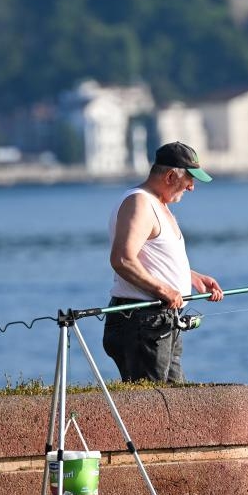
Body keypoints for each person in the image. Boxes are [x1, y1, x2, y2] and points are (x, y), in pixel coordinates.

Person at [103, 141, 223, 383]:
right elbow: (122, 259)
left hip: (161, 319)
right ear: (170, 176)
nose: (191, 187)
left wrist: (191, 276)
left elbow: (152, 257)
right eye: (190, 179)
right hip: (142, 321)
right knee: (153, 406)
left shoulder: (158, 204)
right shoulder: (139, 203)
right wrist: (163, 289)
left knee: (173, 401)